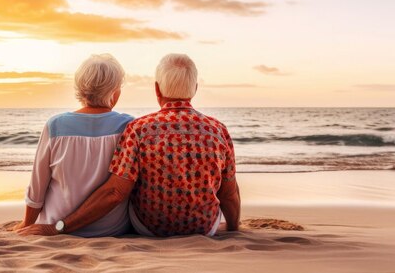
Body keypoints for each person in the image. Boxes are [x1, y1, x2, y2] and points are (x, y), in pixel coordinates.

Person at [18, 53, 240, 237]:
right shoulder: (217, 129)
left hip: (143, 228)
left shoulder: (137, 128)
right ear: (195, 88)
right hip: (187, 229)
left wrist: (38, 224)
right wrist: (232, 229)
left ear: (157, 89)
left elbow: (114, 191)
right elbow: (229, 194)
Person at [13, 54, 133, 237]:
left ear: (80, 88)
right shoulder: (129, 127)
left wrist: (27, 223)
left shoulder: (55, 125)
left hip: (56, 226)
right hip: (111, 230)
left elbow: (38, 187)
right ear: (114, 92)